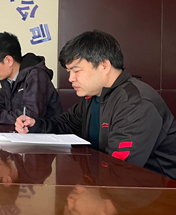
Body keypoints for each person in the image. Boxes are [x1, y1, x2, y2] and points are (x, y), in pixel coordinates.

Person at [16, 30, 176, 180]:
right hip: (109, 185)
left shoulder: (135, 103)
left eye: (76, 71)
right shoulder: (94, 96)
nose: (71, 78)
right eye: (69, 71)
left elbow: (120, 166)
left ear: (104, 66)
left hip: (157, 191)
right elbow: (66, 124)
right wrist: (35, 124)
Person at [0, 32, 62, 124]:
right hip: (20, 134)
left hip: (46, 136)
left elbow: (29, 117)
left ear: (8, 60)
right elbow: (3, 107)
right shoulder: (7, 79)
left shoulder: (36, 75)